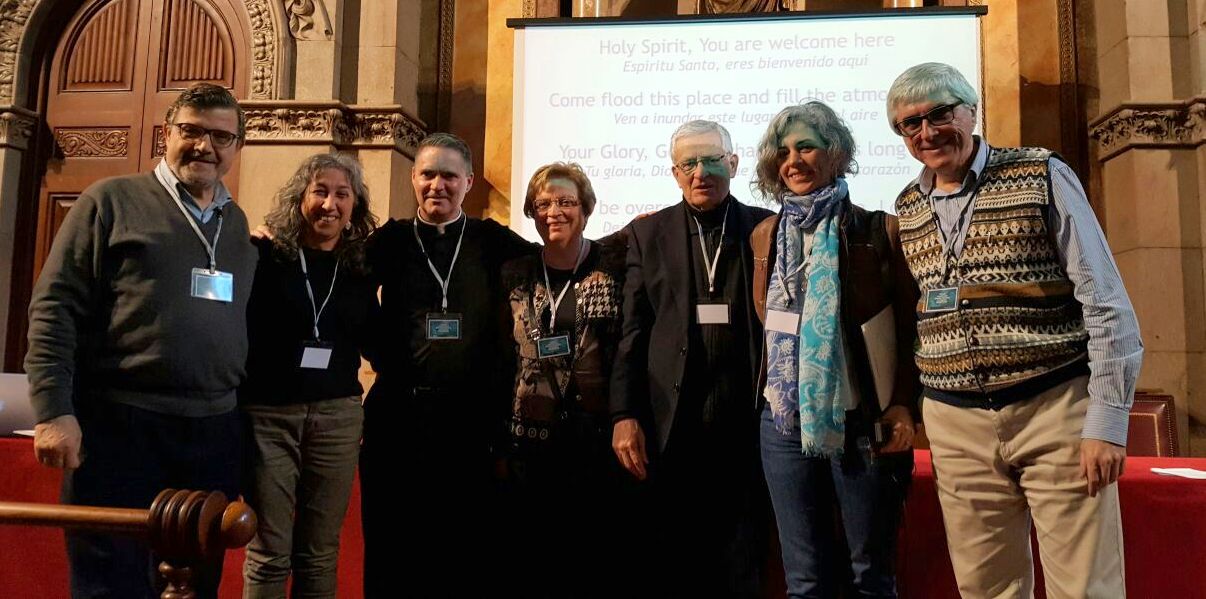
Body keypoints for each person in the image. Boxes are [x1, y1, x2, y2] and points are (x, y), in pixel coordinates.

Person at [886, 62, 1143, 598]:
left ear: (971, 112)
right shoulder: (907, 206)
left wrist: (1107, 421)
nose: (927, 132)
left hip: (1053, 409)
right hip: (957, 424)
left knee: (1085, 587)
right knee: (985, 588)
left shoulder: (1039, 172)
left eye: (939, 114)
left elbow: (1105, 302)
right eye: (910, 124)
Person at [25, 83, 257, 598]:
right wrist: (53, 410)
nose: (205, 146)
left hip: (212, 431)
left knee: (196, 581)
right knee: (113, 580)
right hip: (121, 425)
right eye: (192, 130)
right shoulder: (110, 200)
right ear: (167, 134)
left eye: (221, 136)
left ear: (237, 146)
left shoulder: (236, 223)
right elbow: (54, 307)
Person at [748, 102, 920, 598]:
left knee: (870, 574)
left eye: (806, 147)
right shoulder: (764, 236)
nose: (793, 161)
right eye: (783, 152)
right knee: (804, 579)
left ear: (836, 153)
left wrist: (903, 404)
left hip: (860, 420)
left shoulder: (879, 230)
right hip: (783, 422)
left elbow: (910, 328)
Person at [359, 132, 535, 597]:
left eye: (449, 176)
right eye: (428, 175)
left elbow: (556, 257)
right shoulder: (391, 240)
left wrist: (630, 239)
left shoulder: (490, 239)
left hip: (470, 420)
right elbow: (340, 283)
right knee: (394, 543)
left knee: (464, 546)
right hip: (398, 416)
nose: (438, 185)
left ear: (468, 182)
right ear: (414, 178)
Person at [610, 119, 774, 597]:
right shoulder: (648, 233)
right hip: (672, 422)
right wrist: (623, 414)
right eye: (689, 164)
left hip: (747, 421)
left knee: (742, 562)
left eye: (711, 160)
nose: (701, 172)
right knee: (676, 562)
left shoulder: (766, 228)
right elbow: (632, 332)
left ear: (734, 164)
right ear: (675, 173)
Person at [239, 153, 380, 598]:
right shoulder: (263, 255)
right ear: (299, 197)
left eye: (342, 194)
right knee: (268, 551)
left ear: (355, 205)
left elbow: (375, 339)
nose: (329, 204)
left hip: (337, 418)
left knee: (320, 553)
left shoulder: (359, 267)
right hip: (269, 418)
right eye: (320, 191)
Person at [497, 162, 629, 598]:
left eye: (566, 201)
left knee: (593, 563)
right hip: (528, 444)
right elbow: (500, 356)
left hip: (596, 442)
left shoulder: (613, 265)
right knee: (535, 564)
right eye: (543, 204)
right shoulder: (513, 273)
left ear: (586, 209)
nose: (554, 211)